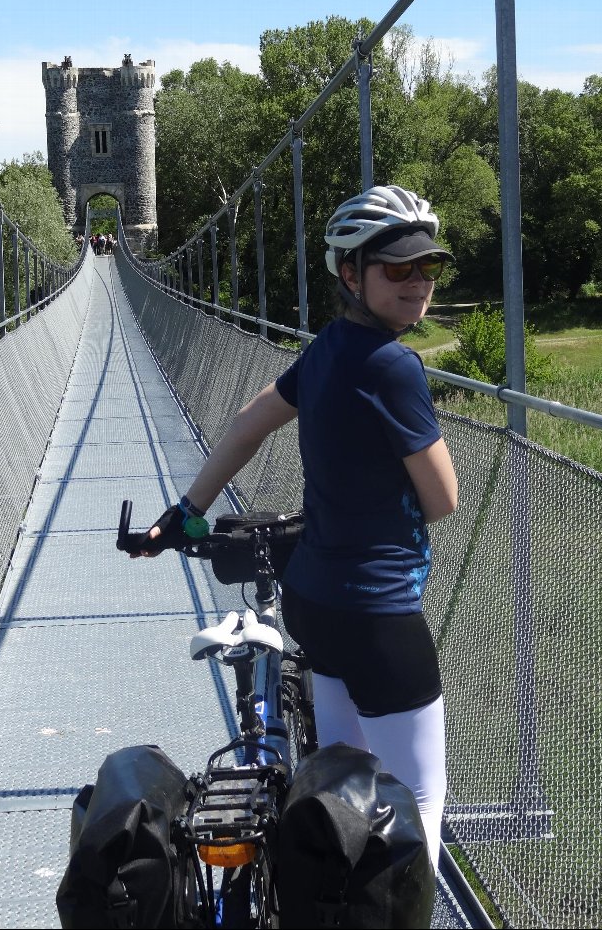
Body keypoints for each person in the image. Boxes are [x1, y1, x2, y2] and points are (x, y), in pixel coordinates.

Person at [125, 185, 458, 868]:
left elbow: (248, 424)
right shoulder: (395, 366)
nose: (417, 283)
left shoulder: (329, 346)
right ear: (349, 273)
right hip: (379, 615)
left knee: (341, 789)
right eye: (396, 269)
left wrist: (185, 511)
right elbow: (443, 498)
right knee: (416, 806)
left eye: (427, 267)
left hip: (316, 602)